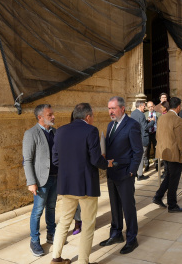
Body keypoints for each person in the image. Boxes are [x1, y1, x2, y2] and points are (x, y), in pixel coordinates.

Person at [50, 103, 113, 264]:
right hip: (85, 186)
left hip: (66, 185)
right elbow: (95, 158)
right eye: (92, 116)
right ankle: (83, 261)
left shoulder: (61, 130)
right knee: (88, 224)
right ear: (87, 117)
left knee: (64, 221)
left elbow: (56, 160)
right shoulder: (90, 130)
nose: (93, 119)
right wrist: (107, 164)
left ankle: (55, 258)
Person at [100, 96, 143, 254]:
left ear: (122, 109)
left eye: (113, 108)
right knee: (114, 205)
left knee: (128, 207)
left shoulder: (132, 125)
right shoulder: (111, 124)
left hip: (125, 173)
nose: (110, 111)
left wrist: (132, 171)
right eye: (109, 108)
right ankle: (116, 234)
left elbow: (138, 151)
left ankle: (132, 238)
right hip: (112, 172)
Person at [22, 104, 58, 257]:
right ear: (40, 117)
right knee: (37, 211)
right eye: (50, 115)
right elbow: (27, 160)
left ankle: (51, 234)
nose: (53, 117)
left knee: (51, 208)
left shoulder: (55, 132)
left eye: (52, 114)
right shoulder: (31, 133)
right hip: (40, 180)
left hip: (56, 177)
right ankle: (34, 241)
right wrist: (31, 182)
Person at [152, 97, 182, 213]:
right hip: (174, 153)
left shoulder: (161, 118)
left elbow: (158, 135)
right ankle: (172, 204)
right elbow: (180, 139)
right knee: (174, 179)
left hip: (164, 152)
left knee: (169, 175)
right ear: (178, 107)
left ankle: (158, 196)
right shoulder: (177, 119)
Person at [131, 100, 154, 181]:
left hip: (135, 138)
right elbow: (144, 127)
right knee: (140, 157)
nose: (145, 107)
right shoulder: (141, 114)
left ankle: (135, 172)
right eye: (144, 106)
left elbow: (139, 124)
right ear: (140, 106)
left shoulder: (133, 113)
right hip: (142, 138)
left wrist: (147, 121)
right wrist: (152, 122)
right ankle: (140, 175)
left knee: (136, 156)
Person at [145, 101, 161, 172]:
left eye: (152, 106)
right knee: (147, 150)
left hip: (155, 133)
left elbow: (161, 124)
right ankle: (147, 165)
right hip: (148, 134)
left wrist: (154, 121)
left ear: (154, 106)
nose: (151, 108)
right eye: (149, 107)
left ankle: (157, 164)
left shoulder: (158, 114)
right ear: (147, 107)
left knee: (156, 149)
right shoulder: (144, 114)